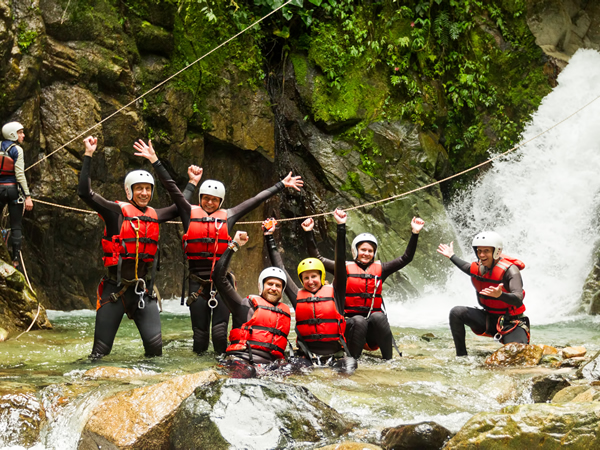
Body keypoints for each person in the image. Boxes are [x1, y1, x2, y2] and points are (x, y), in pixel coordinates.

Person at [132, 139, 303, 355]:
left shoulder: (229, 216)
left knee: (220, 333)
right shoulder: (188, 212)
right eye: (206, 199)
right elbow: (172, 188)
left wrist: (281, 185)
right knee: (200, 336)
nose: (210, 203)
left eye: (214, 200)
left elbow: (255, 200)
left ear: (220, 202)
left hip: (222, 284)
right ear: (200, 198)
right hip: (197, 284)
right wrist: (154, 160)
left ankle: (223, 370)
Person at [78, 136, 192, 359]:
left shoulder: (155, 215)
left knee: (155, 351)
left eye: (148, 189)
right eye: (139, 189)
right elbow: (85, 193)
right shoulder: (115, 212)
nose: (144, 193)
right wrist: (88, 155)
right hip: (115, 291)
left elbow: (181, 204)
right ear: (129, 190)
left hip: (143, 292)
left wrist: (186, 180)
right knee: (99, 353)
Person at [301, 217, 425, 360]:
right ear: (355, 250)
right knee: (359, 320)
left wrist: (415, 233)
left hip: (371, 331)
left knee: (379, 316)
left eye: (370, 251)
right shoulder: (343, 269)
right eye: (363, 250)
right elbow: (318, 258)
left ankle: (388, 361)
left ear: (374, 253)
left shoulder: (381, 269)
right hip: (349, 327)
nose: (366, 253)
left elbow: (406, 258)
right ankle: (353, 361)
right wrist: (308, 232)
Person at [264, 211, 357, 373]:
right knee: (291, 373)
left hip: (336, 357)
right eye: (306, 278)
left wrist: (341, 226)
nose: (310, 281)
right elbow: (280, 269)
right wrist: (269, 236)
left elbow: (340, 263)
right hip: (307, 356)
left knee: (347, 372)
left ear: (321, 276)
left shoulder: (336, 292)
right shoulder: (297, 295)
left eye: (314, 276)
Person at [437, 231, 529, 357]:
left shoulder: (511, 270)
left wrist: (500, 295)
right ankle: (461, 357)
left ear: (496, 251)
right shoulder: (479, 268)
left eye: (486, 251)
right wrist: (451, 255)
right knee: (456, 312)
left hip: (511, 322)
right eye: (479, 251)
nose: (481, 255)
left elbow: (518, 298)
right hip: (488, 319)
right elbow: (466, 267)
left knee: (517, 355)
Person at [213, 230, 292, 377]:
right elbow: (219, 277)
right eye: (270, 284)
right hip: (240, 361)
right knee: (248, 371)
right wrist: (234, 245)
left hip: (269, 366)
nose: (273, 288)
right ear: (261, 286)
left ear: (282, 290)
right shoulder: (244, 306)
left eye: (278, 286)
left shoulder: (285, 311)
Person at [0, 122, 33, 270]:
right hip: (13, 190)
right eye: (20, 132)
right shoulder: (17, 150)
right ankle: (15, 259)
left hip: (0, 190)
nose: (23, 135)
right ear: (13, 134)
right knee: (16, 225)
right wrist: (27, 196)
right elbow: (19, 174)